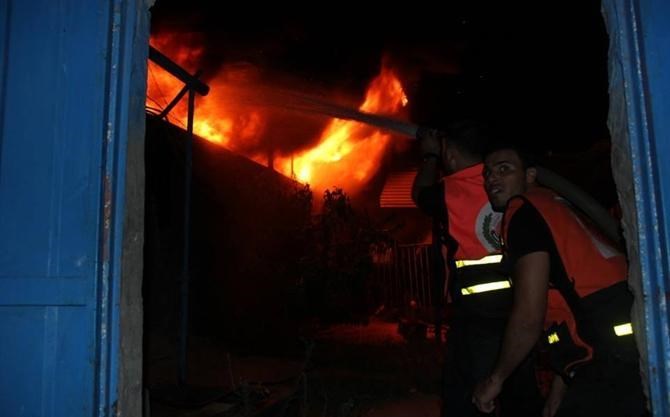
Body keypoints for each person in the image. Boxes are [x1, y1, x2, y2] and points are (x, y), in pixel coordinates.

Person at [472, 144, 646, 417]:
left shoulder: (523, 212)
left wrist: (495, 381)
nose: (491, 178)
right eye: (487, 173)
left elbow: (529, 315)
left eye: (504, 169)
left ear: (530, 175)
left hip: (608, 364)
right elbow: (572, 297)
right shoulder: (554, 206)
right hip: (622, 350)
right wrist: (560, 388)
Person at [413, 121, 542, 417]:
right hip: (521, 307)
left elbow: (420, 194)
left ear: (450, 153)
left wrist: (430, 155)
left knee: (467, 396)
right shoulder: (510, 179)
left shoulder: (451, 191)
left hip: (477, 315)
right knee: (519, 391)